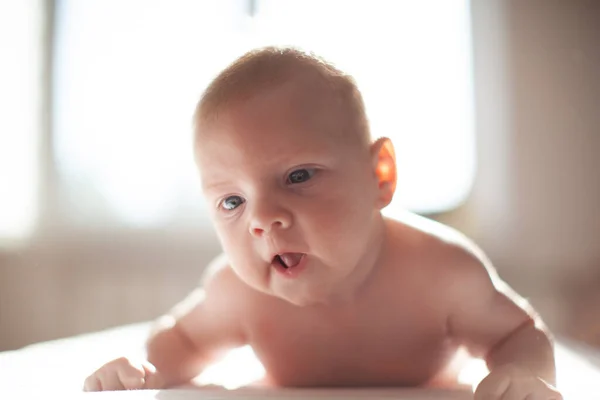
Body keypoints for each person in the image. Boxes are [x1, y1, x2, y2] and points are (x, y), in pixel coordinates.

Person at [84, 47, 562, 400]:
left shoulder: (442, 272)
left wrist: (524, 374)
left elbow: (518, 333)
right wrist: (145, 371)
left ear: (380, 176)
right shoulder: (238, 292)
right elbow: (182, 339)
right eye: (232, 201)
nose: (264, 218)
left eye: (297, 176)